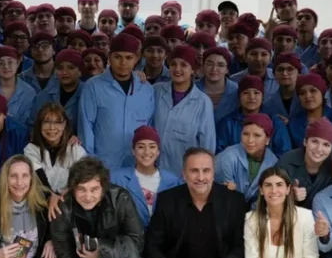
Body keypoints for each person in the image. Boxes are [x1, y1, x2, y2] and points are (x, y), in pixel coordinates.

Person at [77, 33, 155, 170]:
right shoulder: (93, 86)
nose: (123, 63)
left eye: (129, 58)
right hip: (103, 164)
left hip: (136, 164)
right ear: (109, 57)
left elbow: (149, 127)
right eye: (118, 57)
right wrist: (91, 164)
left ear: (136, 59)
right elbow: (86, 127)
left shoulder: (146, 89)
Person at [153, 44, 216, 174]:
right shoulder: (156, 91)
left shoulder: (202, 102)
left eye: (183, 65)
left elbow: (207, 143)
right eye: (173, 64)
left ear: (193, 69)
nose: (177, 69)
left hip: (183, 172)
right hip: (152, 167)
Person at [112, 127, 182, 228]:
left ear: (158, 151)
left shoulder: (173, 182)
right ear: (133, 151)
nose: (147, 152)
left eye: (152, 147)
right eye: (141, 147)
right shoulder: (117, 179)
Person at [24, 101, 88, 201]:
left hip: (69, 202)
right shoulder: (31, 149)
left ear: (64, 125)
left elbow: (85, 178)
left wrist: (67, 195)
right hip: (40, 202)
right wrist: (51, 197)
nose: (52, 128)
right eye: (46, 122)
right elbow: (40, 180)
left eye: (57, 122)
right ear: (40, 125)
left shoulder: (75, 149)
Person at [215, 75, 292, 156]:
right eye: (246, 93)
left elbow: (284, 154)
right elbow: (220, 154)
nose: (251, 97)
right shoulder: (227, 123)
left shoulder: (274, 121)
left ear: (262, 96)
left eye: (256, 93)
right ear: (239, 96)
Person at [216, 113, 279, 206]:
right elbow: (222, 196)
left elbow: (265, 198)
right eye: (245, 134)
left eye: (257, 135)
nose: (250, 140)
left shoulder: (273, 162)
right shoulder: (228, 157)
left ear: (267, 140)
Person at [276, 118, 332, 209]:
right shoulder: (287, 161)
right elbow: (270, 194)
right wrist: (289, 196)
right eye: (314, 141)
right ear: (305, 141)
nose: (319, 149)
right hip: (292, 214)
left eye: (326, 145)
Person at [287, 74, 332, 150]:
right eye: (302, 93)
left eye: (313, 91)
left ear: (322, 93)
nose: (307, 96)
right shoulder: (294, 122)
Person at [0, 46, 38, 128]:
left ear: (17, 64)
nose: (6, 66)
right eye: (1, 63)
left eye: (10, 62)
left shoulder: (29, 92)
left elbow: (31, 123)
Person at [32, 49, 84, 125]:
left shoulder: (88, 94)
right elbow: (33, 124)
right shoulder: (44, 95)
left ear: (80, 71)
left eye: (70, 68)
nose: (64, 72)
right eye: (60, 68)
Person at [198, 47, 238, 123]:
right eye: (209, 64)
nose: (214, 69)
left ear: (227, 69)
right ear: (203, 66)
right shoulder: (192, 88)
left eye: (220, 65)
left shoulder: (236, 90)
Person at [263, 52, 303, 121]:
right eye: (280, 69)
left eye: (290, 69)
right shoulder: (268, 104)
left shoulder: (305, 99)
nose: (284, 73)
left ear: (298, 73)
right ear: (274, 74)